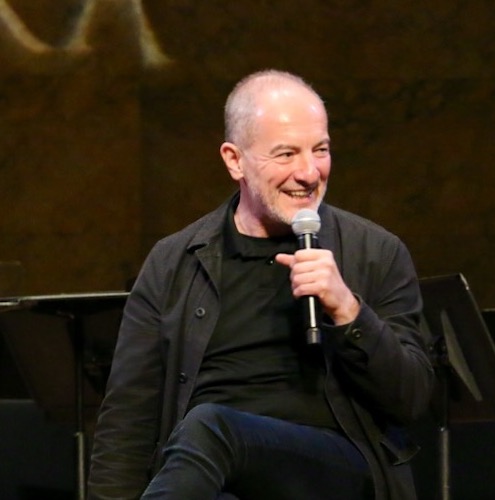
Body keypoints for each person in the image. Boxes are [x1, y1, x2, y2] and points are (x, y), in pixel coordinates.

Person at [88, 69, 434, 500]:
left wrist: (348, 311)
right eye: (286, 154)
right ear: (235, 159)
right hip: (208, 471)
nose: (309, 173)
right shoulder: (173, 262)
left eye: (320, 150)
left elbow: (412, 399)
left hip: (332, 468)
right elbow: (128, 418)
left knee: (209, 426)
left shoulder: (375, 252)